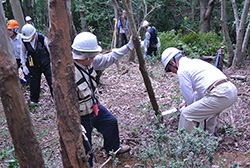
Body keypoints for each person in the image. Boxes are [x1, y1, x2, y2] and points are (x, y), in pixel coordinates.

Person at [71, 32, 133, 167]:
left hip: (94, 107)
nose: (95, 57)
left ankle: (113, 149)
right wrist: (74, 122)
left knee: (111, 123)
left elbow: (110, 57)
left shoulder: (91, 62)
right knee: (86, 147)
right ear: (86, 55)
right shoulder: (68, 71)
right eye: (93, 54)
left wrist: (128, 47)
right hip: (80, 115)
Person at [161, 47, 237, 134]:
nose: (173, 72)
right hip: (230, 90)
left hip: (220, 93)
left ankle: (184, 145)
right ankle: (208, 141)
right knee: (208, 114)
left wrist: (187, 106)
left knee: (187, 115)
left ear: (172, 62)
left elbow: (188, 96)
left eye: (170, 69)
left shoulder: (182, 70)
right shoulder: (194, 62)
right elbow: (201, 91)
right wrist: (185, 103)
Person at [20, 24, 53, 103]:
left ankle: (56, 97)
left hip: (46, 63)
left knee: (51, 81)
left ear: (34, 34)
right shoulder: (24, 41)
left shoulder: (41, 38)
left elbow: (50, 50)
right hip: (33, 64)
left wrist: (52, 62)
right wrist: (23, 65)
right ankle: (34, 100)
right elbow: (22, 53)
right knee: (34, 83)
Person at [7, 19, 30, 85]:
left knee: (28, 74)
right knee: (11, 73)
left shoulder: (22, 38)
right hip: (15, 59)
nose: (9, 32)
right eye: (8, 30)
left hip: (25, 59)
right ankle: (22, 82)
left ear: (15, 30)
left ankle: (30, 84)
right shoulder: (7, 40)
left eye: (10, 30)